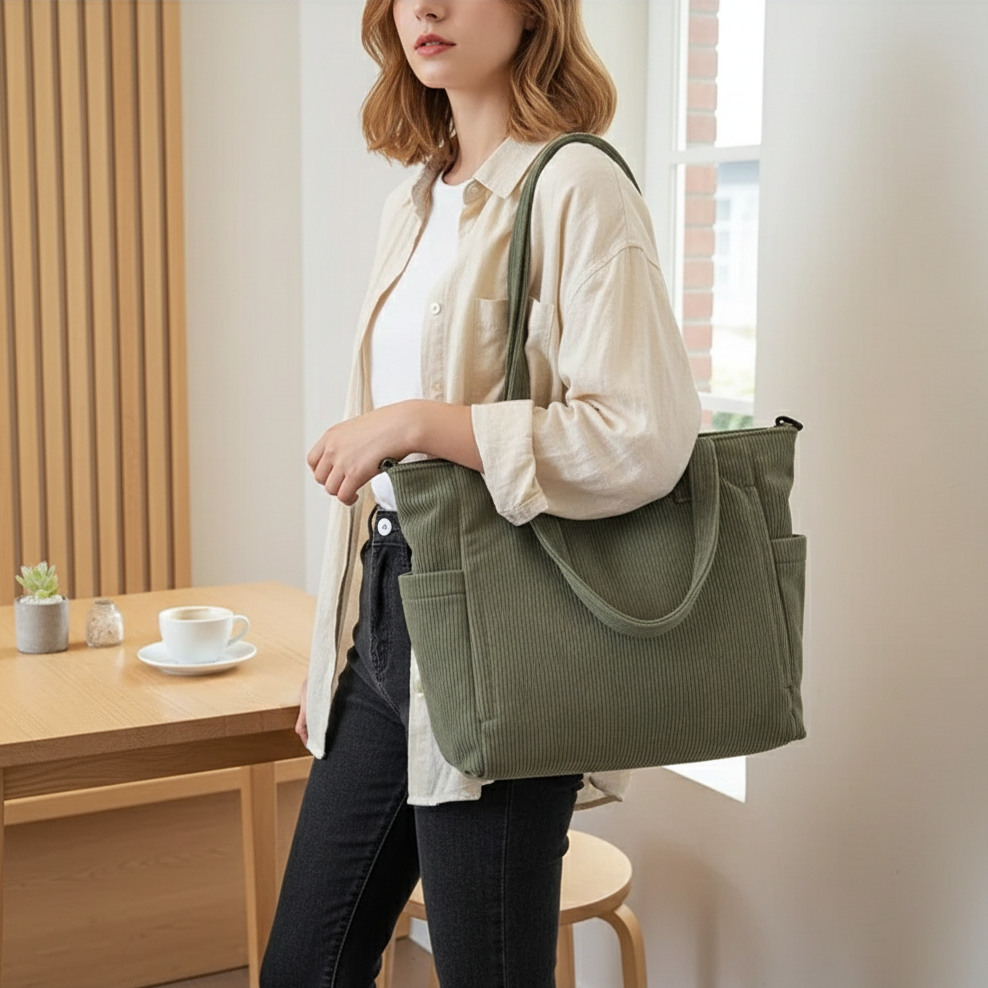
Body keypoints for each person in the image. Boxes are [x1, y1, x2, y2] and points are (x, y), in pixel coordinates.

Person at [260, 1, 700, 986]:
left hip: (505, 628)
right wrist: (336, 650)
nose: (425, 7)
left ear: (533, 12)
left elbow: (642, 435)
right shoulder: (414, 200)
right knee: (303, 967)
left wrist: (420, 423)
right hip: (385, 609)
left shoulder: (577, 186)